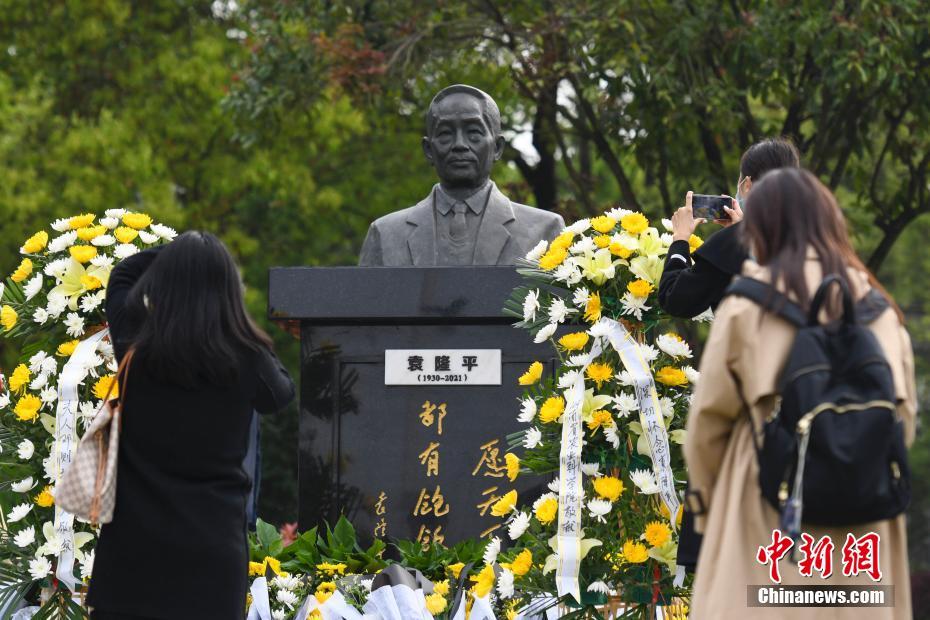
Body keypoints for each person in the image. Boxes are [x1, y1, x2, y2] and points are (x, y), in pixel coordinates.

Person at [683, 169, 915, 619]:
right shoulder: (881, 311)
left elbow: (707, 428)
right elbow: (901, 425)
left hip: (766, 515)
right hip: (863, 532)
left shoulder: (746, 305)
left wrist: (709, 513)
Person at [87, 232, 295, 620]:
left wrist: (177, 253)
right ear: (228, 287)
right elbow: (281, 394)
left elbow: (122, 276)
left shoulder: (136, 345)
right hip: (212, 551)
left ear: (164, 281)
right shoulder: (247, 355)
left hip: (133, 550)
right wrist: (208, 261)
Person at [358, 84, 564, 266]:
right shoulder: (385, 235)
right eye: (446, 133)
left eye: (473, 132)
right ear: (429, 149)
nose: (459, 145)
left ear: (498, 148)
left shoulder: (544, 231)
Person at [658, 138, 800, 318]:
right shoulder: (808, 237)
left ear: (747, 185)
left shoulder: (732, 243)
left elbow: (674, 300)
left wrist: (680, 240)